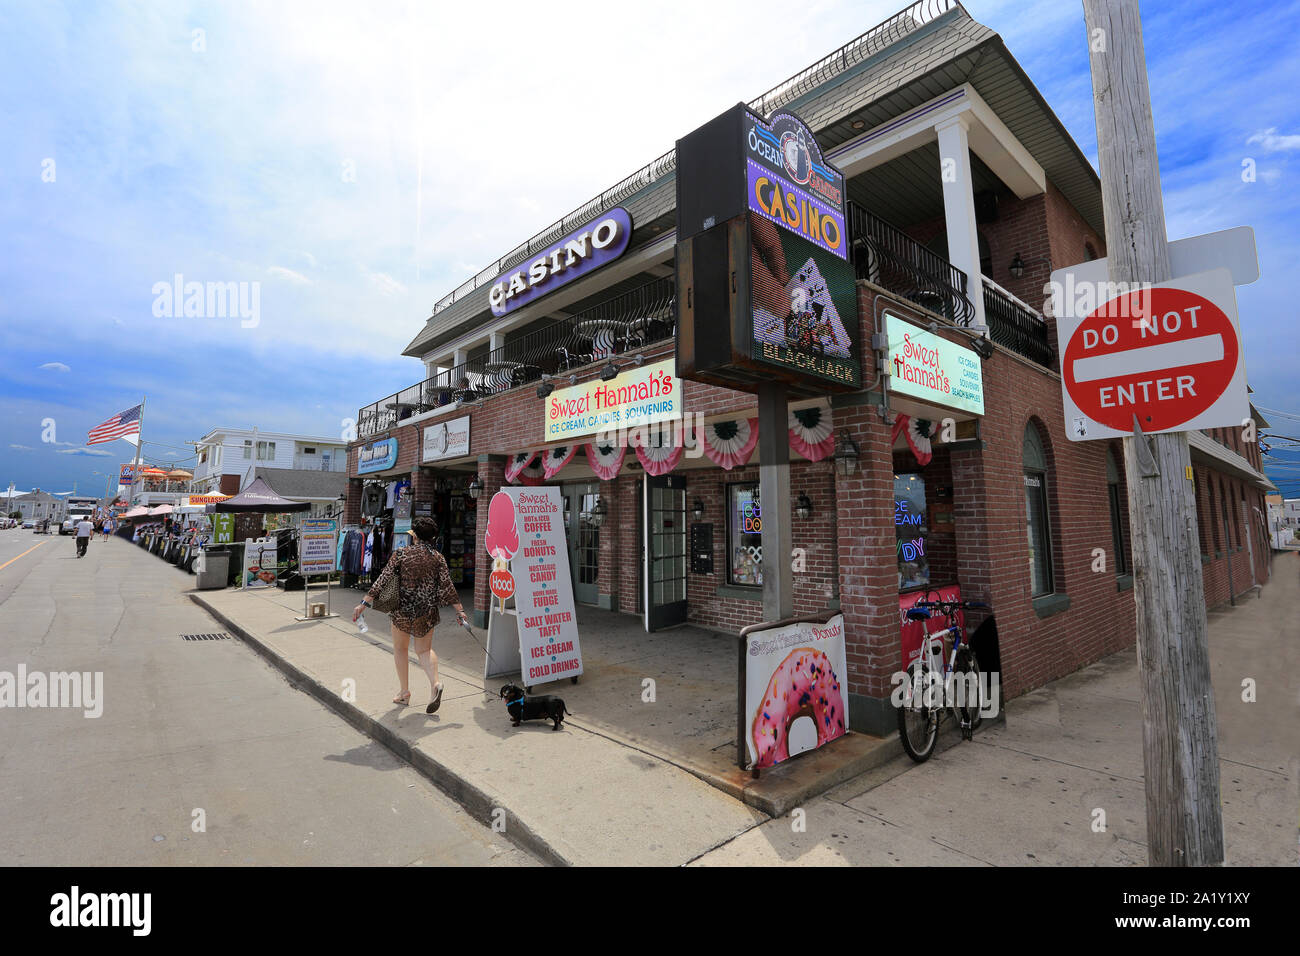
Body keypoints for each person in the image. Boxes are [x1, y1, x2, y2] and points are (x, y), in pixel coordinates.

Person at [352, 516, 466, 713]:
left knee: (400, 649)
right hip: (426, 609)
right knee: (423, 650)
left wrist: (364, 603)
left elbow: (382, 580)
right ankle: (435, 683)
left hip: (402, 610)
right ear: (432, 538)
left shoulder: (401, 554)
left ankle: (404, 693)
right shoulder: (438, 558)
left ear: (414, 535)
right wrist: (460, 611)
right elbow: (448, 587)